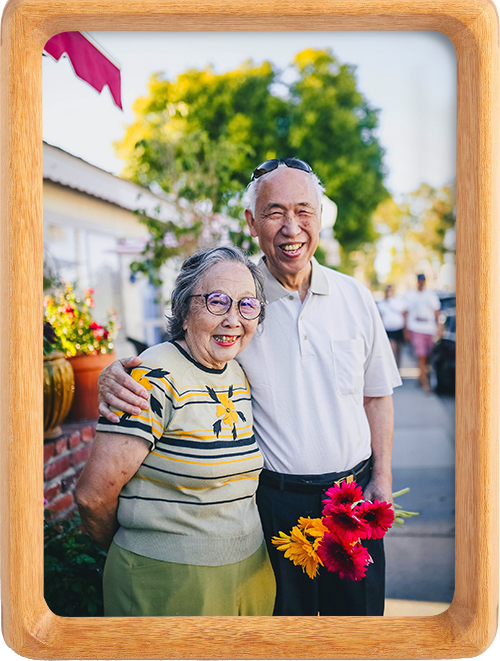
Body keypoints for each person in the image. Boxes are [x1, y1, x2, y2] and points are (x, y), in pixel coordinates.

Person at [98, 157, 402, 617]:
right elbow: (184, 350)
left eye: (304, 211)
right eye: (275, 212)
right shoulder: (237, 299)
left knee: (358, 632)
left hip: (353, 499)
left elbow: (377, 394)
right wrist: (114, 371)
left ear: (320, 217)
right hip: (274, 505)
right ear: (252, 223)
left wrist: (382, 478)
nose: (291, 227)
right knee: (283, 637)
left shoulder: (355, 296)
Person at [75, 246, 276, 616]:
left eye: (247, 305)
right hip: (166, 586)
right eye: (217, 301)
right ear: (185, 310)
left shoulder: (237, 372)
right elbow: (92, 497)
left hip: (249, 575)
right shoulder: (151, 377)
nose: (233, 319)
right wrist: (139, 548)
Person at [403, 273, 441, 393]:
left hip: (429, 328)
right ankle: (426, 384)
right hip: (416, 328)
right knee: (421, 356)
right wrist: (406, 331)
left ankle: (421, 377)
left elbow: (436, 312)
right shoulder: (410, 295)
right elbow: (405, 313)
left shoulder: (430, 295)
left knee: (428, 357)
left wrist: (439, 328)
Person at [377, 284, 405, 368]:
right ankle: (393, 368)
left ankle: (398, 368)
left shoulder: (398, 301)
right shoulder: (382, 303)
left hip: (399, 328)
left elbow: (404, 313)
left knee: (399, 350)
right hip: (389, 329)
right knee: (392, 350)